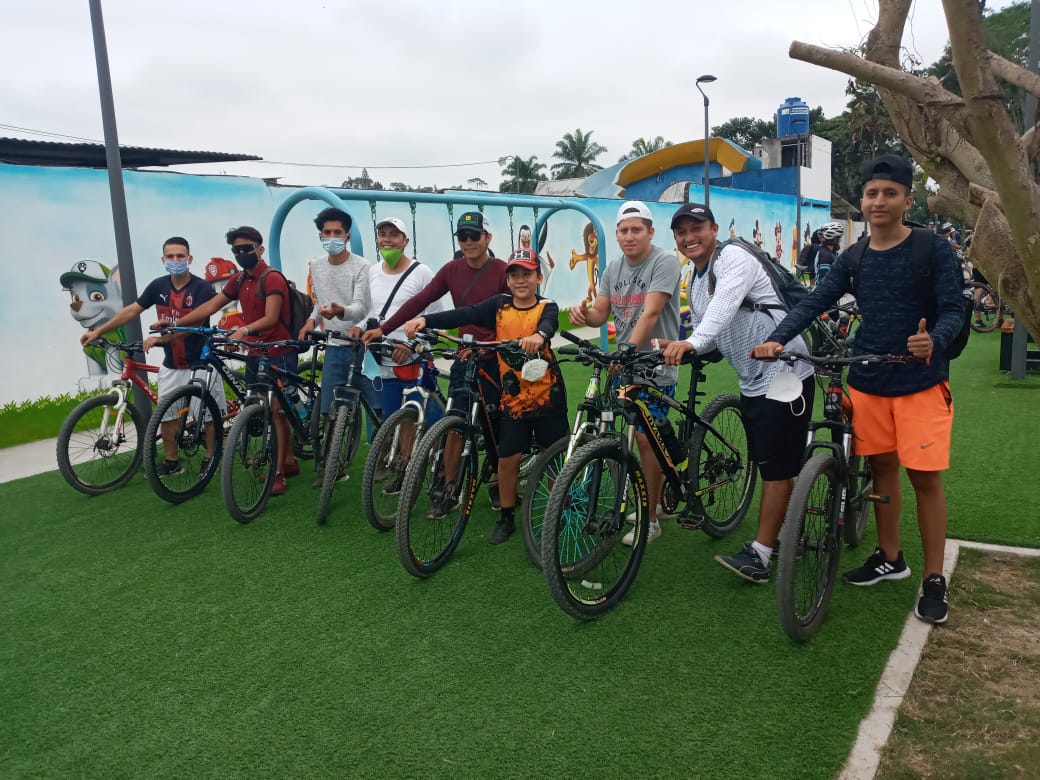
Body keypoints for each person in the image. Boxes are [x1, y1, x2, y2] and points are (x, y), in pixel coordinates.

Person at [752, 153, 963, 624]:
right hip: (867, 380)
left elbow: (953, 309)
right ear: (862, 201)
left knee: (924, 479)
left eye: (890, 193)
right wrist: (777, 339)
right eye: (871, 193)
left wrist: (934, 340)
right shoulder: (855, 256)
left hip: (921, 382)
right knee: (883, 470)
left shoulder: (932, 249)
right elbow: (814, 302)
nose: (879, 201)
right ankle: (890, 556)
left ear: (907, 199)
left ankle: (934, 578)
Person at [659, 204, 816, 582]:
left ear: (714, 229)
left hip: (785, 370)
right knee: (770, 460)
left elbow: (724, 307)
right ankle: (785, 530)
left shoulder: (733, 257)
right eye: (681, 232)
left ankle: (761, 555)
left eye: (697, 228)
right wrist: (681, 346)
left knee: (776, 466)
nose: (689, 237)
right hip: (752, 379)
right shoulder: (696, 279)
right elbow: (710, 333)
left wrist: (693, 342)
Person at [403, 248, 567, 544]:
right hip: (513, 402)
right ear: (508, 280)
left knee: (553, 457)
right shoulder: (499, 305)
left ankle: (558, 511)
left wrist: (538, 337)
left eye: (527, 274)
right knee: (507, 460)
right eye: (515, 275)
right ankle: (506, 517)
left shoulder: (547, 305)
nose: (521, 280)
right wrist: (427, 321)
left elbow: (548, 325)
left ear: (538, 278)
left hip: (547, 399)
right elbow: (464, 314)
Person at [362, 211, 509, 509]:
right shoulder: (451, 269)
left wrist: (491, 347)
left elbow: (513, 315)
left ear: (488, 238)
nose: (468, 242)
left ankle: (498, 481)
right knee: (454, 419)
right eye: (462, 236)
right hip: (465, 352)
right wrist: (384, 329)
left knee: (499, 422)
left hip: (496, 355)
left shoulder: (502, 271)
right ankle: (448, 486)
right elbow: (420, 300)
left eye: (474, 236)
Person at [568, 200, 681, 545]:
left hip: (655, 366)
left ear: (650, 232)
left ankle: (650, 519)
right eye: (623, 230)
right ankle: (655, 493)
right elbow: (601, 313)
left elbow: (651, 313)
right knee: (629, 436)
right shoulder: (612, 268)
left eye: (636, 230)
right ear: (616, 235)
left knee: (646, 440)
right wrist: (584, 315)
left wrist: (627, 351)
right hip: (625, 366)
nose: (629, 236)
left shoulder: (664, 261)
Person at [161, 226, 301, 495]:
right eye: (237, 250)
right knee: (262, 405)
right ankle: (289, 460)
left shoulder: (271, 278)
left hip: (279, 350)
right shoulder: (239, 280)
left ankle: (279, 472)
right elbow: (210, 306)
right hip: (255, 352)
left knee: (276, 412)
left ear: (260, 249)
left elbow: (271, 318)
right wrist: (176, 324)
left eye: (247, 248)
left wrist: (244, 330)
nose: (242, 253)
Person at [81, 237, 226, 475]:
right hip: (172, 364)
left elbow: (196, 324)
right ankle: (172, 461)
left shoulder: (202, 288)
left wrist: (162, 338)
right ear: (163, 259)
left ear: (189, 259)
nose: (176, 260)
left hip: (201, 363)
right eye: (170, 256)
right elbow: (131, 310)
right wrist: (98, 331)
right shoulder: (158, 286)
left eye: (180, 256)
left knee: (208, 416)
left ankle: (211, 458)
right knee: (166, 415)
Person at [354, 216, 443, 493]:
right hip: (383, 358)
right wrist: (360, 328)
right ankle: (405, 469)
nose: (387, 240)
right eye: (383, 234)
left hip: (413, 357)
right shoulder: (372, 272)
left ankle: (425, 470)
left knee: (418, 415)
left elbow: (435, 316)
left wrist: (411, 343)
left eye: (394, 234)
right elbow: (370, 312)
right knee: (395, 417)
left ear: (405, 241)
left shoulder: (422, 273)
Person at [298, 207, 376, 453]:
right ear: (320, 236)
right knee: (329, 410)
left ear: (347, 236)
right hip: (333, 345)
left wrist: (341, 312)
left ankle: (382, 455)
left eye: (337, 232)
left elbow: (362, 307)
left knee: (377, 408)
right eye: (327, 232)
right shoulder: (316, 266)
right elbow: (319, 303)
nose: (332, 237)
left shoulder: (362, 266)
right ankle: (330, 464)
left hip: (362, 346)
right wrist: (311, 321)